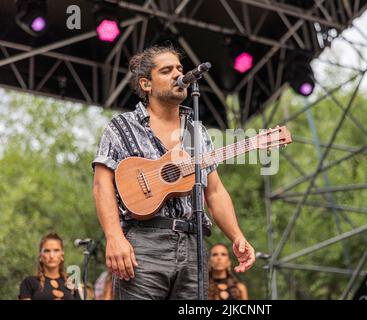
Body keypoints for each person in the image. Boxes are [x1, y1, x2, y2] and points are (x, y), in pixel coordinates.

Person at [92, 44, 255, 300]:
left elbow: (214, 191)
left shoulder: (196, 132)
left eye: (180, 68)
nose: (179, 75)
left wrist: (237, 236)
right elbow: (102, 185)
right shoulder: (121, 127)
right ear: (146, 84)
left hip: (194, 244)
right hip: (143, 244)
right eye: (167, 71)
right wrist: (113, 237)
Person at [19, 232, 81, 300]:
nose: (51, 256)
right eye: (47, 251)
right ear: (40, 256)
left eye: (56, 250)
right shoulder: (29, 283)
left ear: (62, 255)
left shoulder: (71, 283)